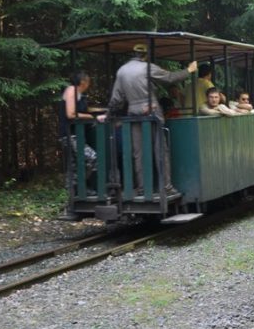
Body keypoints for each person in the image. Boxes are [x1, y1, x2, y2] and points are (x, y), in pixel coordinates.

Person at [108, 43, 197, 196]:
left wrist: (109, 113)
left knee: (138, 152)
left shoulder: (121, 71)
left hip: (133, 114)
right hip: (151, 112)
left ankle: (142, 188)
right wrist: (188, 70)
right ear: (145, 55)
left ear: (133, 54)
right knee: (160, 149)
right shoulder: (147, 67)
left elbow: (116, 98)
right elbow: (169, 78)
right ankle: (166, 187)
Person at [60, 72, 106, 215]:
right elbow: (71, 114)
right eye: (89, 82)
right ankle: (81, 188)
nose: (89, 85)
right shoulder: (71, 91)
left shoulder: (78, 94)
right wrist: (90, 116)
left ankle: (73, 197)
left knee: (74, 166)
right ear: (83, 82)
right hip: (70, 135)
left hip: (75, 135)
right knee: (93, 158)